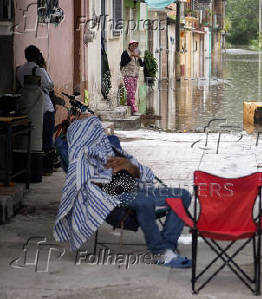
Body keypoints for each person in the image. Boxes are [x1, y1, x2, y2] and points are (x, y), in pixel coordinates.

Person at [54, 116, 192, 268]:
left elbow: (140, 175)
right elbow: (85, 187)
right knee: (144, 202)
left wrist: (129, 166)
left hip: (136, 188)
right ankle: (160, 253)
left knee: (183, 195)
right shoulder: (79, 159)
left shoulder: (110, 149)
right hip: (114, 196)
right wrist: (106, 174)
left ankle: (168, 246)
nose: (99, 135)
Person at [16, 45, 55, 173]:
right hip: (44, 107)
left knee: (33, 138)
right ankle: (46, 167)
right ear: (38, 56)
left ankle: (32, 167)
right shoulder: (39, 70)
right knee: (47, 137)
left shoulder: (20, 70)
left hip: (28, 108)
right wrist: (44, 68)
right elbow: (50, 86)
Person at [120, 40, 143, 115]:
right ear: (129, 46)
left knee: (132, 92)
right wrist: (131, 56)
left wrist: (139, 57)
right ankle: (134, 109)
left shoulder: (137, 53)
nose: (134, 47)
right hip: (127, 75)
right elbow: (123, 63)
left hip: (135, 76)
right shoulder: (125, 53)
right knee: (131, 92)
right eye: (132, 45)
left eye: (135, 46)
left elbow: (142, 64)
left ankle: (129, 108)